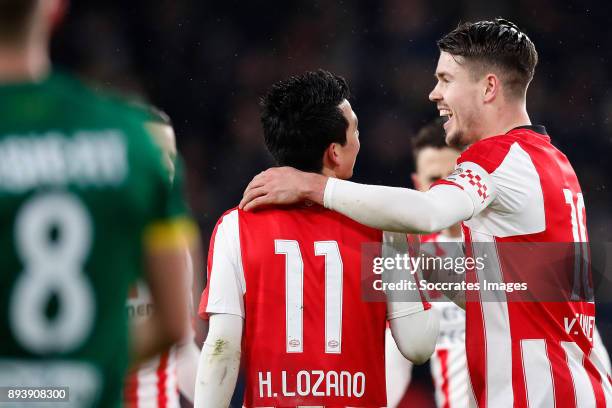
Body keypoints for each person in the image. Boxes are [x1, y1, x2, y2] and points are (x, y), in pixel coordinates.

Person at [240, 19, 612, 406]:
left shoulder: (498, 157)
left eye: (446, 79)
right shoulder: (552, 162)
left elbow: (428, 212)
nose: (434, 93)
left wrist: (315, 187)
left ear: (488, 87)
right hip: (578, 388)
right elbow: (511, 286)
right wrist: (387, 263)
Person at [195, 70, 439, 408]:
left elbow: (221, 349)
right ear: (334, 153)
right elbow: (418, 345)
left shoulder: (236, 227)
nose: (360, 139)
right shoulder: (381, 229)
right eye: (355, 130)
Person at [0, 1, 197, 406]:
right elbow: (179, 325)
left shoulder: (236, 227)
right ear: (54, 10)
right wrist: (85, 365)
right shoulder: (125, 144)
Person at [123, 107, 201, 407]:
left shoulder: (175, 242)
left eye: (172, 155)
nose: (167, 166)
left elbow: (182, 352)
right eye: (158, 154)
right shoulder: (96, 238)